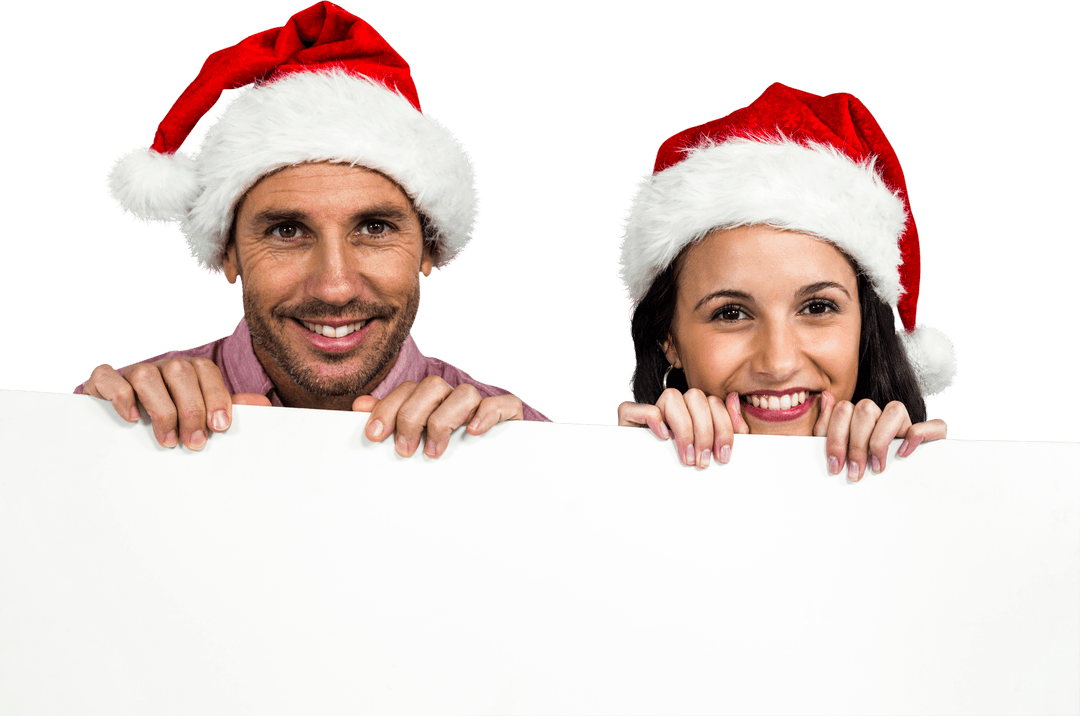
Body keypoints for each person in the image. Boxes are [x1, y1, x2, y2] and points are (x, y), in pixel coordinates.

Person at [76, 1, 547, 458]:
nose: (335, 286)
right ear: (228, 253)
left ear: (430, 246)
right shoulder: (123, 419)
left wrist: (530, 475)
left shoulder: (523, 442)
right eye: (286, 231)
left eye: (375, 227)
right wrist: (77, 436)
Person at [616, 83, 957, 480]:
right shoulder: (595, 488)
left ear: (865, 323)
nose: (777, 364)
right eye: (730, 313)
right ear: (668, 338)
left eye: (817, 307)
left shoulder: (948, 501)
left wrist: (937, 487)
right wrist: (612, 473)